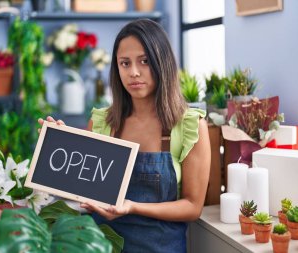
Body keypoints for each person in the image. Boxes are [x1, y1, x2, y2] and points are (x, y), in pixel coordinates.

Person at [38, 18, 211, 253]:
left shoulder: (190, 125)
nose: (134, 72)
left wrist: (132, 207)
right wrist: (60, 141)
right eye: (125, 63)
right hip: (101, 245)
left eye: (145, 61)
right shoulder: (101, 122)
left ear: (162, 63)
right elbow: (83, 197)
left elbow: (192, 206)